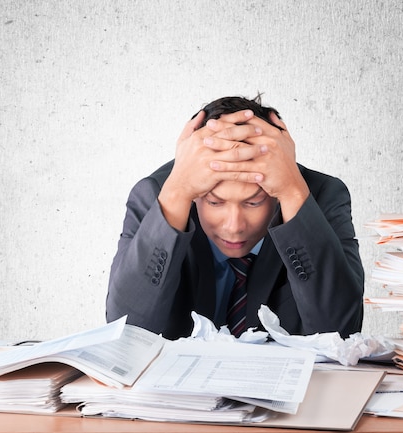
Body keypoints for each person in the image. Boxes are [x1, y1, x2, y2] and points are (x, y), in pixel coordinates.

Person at [106, 95, 364, 340]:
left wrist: (291, 191)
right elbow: (124, 330)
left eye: (253, 202)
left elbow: (341, 333)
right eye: (215, 202)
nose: (234, 227)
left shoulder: (318, 196)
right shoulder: (159, 195)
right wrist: (177, 192)